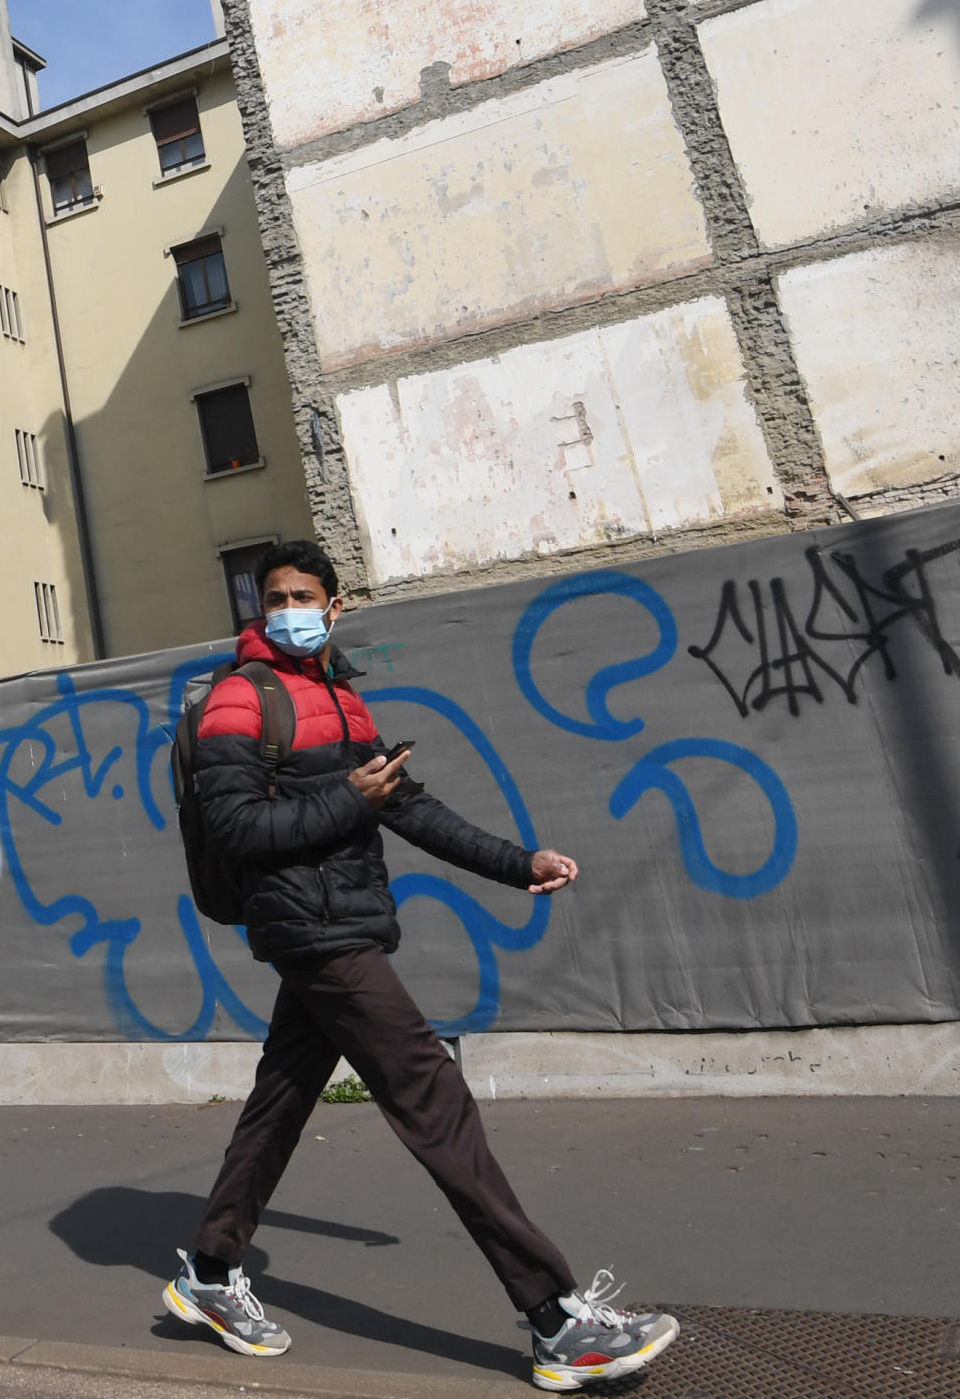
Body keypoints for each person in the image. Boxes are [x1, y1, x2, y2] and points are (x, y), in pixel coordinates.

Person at [162, 540, 677, 1391]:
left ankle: (210, 1276)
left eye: (304, 595)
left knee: (281, 1102)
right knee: (431, 1096)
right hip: (314, 933)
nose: (286, 608)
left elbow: (410, 807)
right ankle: (555, 1320)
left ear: (335, 607)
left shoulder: (339, 695)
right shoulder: (235, 701)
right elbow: (241, 832)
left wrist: (520, 863)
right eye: (274, 596)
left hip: (344, 922)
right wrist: (347, 799)